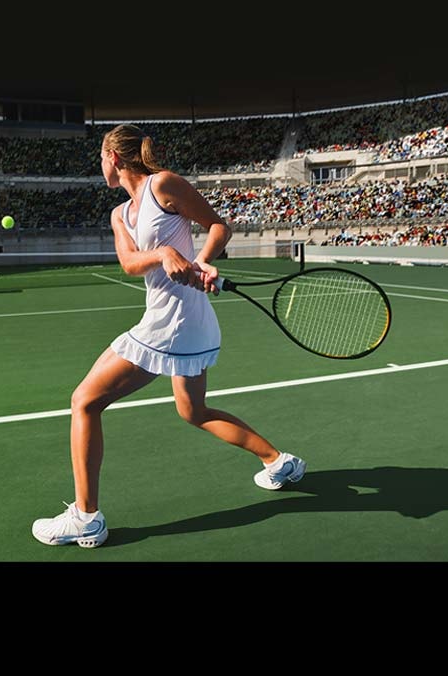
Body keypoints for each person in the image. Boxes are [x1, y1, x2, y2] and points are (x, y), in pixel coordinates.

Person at [32, 124, 306, 548]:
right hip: (176, 321)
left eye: (100, 159)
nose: (99, 167)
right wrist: (163, 253)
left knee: (84, 401)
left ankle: (86, 518)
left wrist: (202, 260)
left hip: (175, 323)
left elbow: (218, 226)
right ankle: (279, 461)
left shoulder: (164, 185)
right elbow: (129, 263)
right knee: (193, 411)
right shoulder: (119, 214)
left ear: (114, 158)